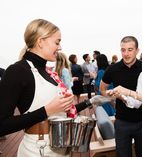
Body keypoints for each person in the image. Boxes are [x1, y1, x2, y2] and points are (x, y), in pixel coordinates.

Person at [0, 19, 111, 157]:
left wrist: (91, 101)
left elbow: (60, 112)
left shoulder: (48, 72)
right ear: (40, 41)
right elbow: (2, 124)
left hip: (60, 146)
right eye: (57, 42)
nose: (60, 47)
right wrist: (46, 111)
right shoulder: (17, 71)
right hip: (38, 150)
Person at [100, 36, 142, 157]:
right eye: (123, 50)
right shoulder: (112, 68)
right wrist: (112, 96)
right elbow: (102, 88)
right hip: (122, 122)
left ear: (137, 51)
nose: (126, 54)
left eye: (130, 49)